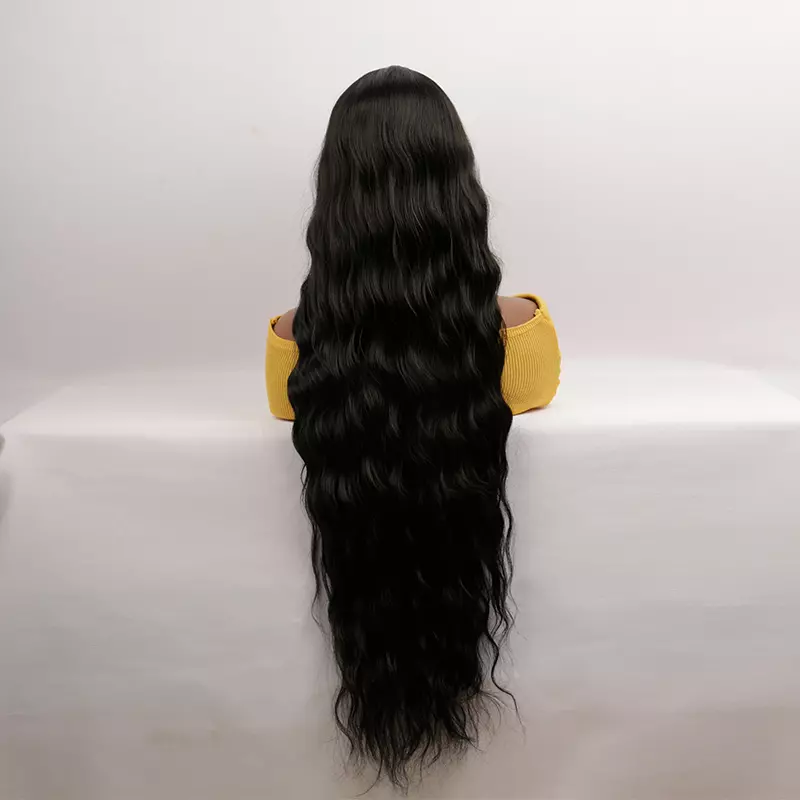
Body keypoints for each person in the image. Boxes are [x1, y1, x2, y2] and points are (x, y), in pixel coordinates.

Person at [265, 66, 560, 789]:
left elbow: (284, 402)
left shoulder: (296, 343)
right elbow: (536, 387)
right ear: (456, 186)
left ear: (337, 195)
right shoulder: (518, 331)